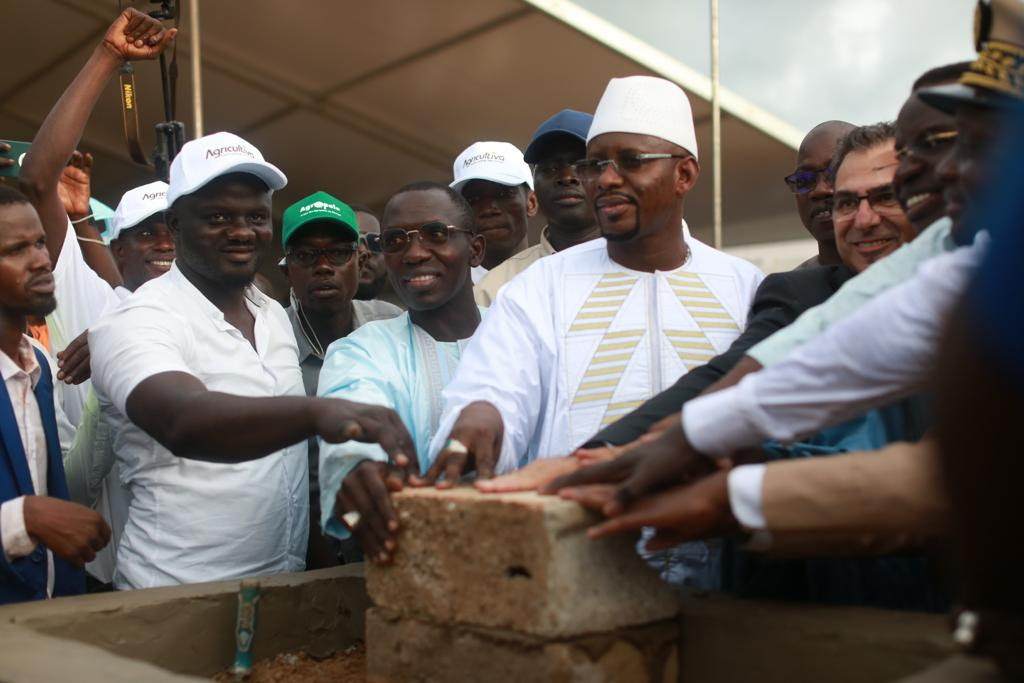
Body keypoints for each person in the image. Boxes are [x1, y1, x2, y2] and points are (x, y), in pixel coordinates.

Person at [87, 131, 415, 589]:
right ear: (175, 223)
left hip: (282, 590)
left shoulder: (273, 317)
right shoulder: (137, 320)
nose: (241, 231)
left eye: (256, 216)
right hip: (177, 594)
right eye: (218, 216)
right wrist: (319, 412)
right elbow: (183, 420)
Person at [16, 6, 177, 589]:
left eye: (175, 230)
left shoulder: (244, 318)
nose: (165, 244)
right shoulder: (100, 310)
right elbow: (38, 176)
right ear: (117, 245)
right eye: (148, 233)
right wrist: (108, 58)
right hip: (115, 574)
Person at [319, 181, 485, 563]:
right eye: (394, 240)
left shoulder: (520, 341)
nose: (413, 253)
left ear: (475, 249)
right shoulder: (361, 350)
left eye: (436, 234)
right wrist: (357, 466)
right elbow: (353, 416)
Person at [0, 185, 110, 604]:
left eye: (41, 243)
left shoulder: (41, 366)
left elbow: (67, 489)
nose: (42, 261)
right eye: (16, 250)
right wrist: (22, 518)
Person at [279, 191, 400, 567]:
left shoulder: (390, 323)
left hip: (383, 534)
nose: (323, 266)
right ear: (286, 269)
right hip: (297, 544)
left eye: (338, 253)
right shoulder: (269, 339)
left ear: (360, 260)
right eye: (306, 255)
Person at [475, 110, 600, 305]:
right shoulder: (497, 289)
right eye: (551, 168)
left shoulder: (647, 264)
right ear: (535, 189)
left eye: (582, 164)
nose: (567, 177)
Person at [450, 141, 537, 283]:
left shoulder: (559, 277)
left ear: (531, 203)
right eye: (473, 199)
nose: (488, 209)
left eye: (503, 194)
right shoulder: (446, 292)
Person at [784, 120, 855, 267]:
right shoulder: (788, 288)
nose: (819, 190)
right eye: (804, 180)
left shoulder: (910, 274)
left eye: (835, 172)